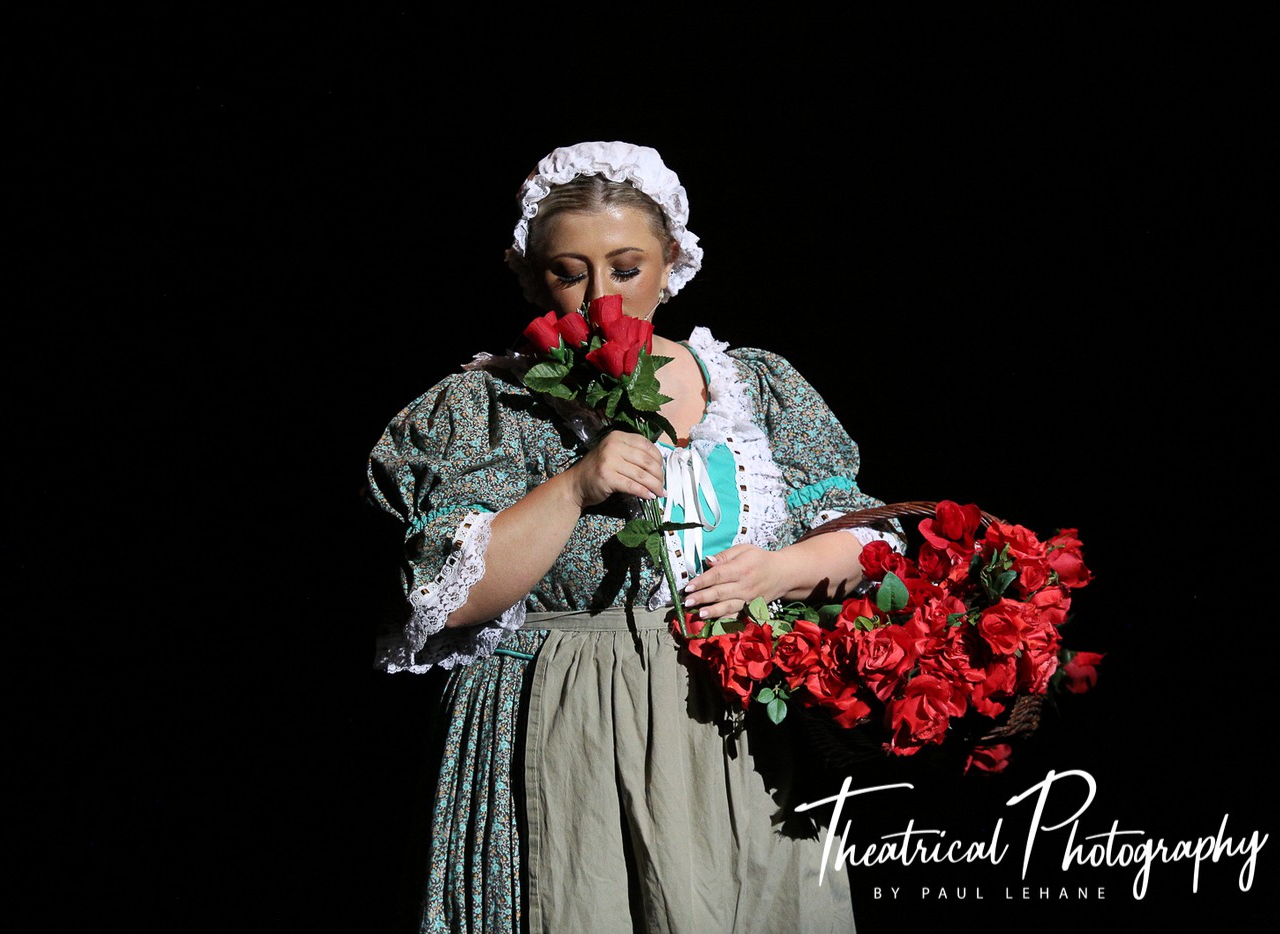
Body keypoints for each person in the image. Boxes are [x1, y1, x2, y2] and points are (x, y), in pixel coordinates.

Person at [367, 141, 903, 933]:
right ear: (532, 277)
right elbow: (446, 600)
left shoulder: (754, 386)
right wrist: (575, 486)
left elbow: (866, 541)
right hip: (564, 725)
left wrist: (777, 572)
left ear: (670, 263)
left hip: (731, 730)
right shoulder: (484, 408)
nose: (599, 296)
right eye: (568, 272)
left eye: (625, 268)